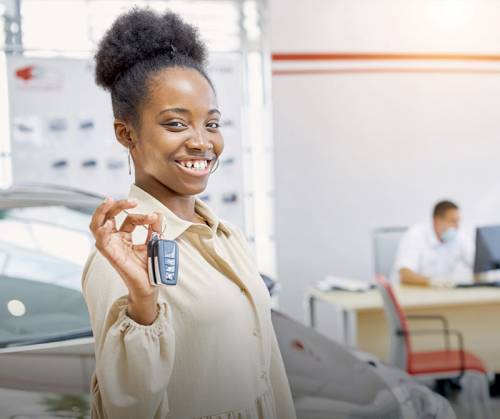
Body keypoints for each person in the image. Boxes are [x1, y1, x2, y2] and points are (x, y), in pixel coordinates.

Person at [81, 8, 297, 419]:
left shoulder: (226, 235)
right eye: (177, 124)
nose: (202, 142)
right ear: (127, 133)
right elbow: (127, 408)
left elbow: (268, 373)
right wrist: (144, 305)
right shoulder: (124, 255)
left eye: (212, 124)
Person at [392, 200, 474, 287]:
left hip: (441, 294)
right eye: (453, 221)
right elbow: (405, 275)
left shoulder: (459, 236)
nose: (457, 226)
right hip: (410, 293)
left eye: (458, 221)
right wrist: (432, 282)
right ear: (437, 220)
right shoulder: (415, 235)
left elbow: (478, 264)